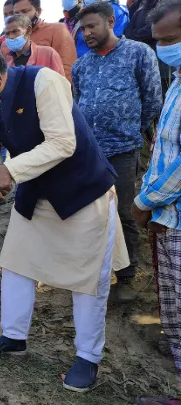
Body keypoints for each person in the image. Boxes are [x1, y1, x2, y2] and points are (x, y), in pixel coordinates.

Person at [0, 47, 128, 392]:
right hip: (37, 194)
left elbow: (63, 142)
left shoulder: (43, 81)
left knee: (86, 279)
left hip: (82, 191)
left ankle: (88, 357)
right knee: (17, 264)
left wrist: (12, 168)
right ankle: (14, 337)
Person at [73, 1, 162, 303]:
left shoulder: (139, 53)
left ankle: (126, 276)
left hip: (123, 149)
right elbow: (77, 102)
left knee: (123, 213)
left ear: (111, 21)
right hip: (89, 153)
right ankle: (95, 272)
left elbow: (152, 100)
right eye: (82, 29)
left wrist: (129, 129)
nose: (86, 33)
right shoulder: (81, 65)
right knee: (89, 214)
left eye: (92, 26)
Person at [133, 1, 181, 403]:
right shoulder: (177, 81)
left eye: (171, 39)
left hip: (174, 213)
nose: (164, 48)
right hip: (170, 215)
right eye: (159, 41)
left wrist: (146, 200)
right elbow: (163, 150)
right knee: (175, 311)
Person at [0, 0, 77, 83]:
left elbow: (67, 68)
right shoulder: (6, 43)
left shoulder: (56, 30)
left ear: (38, 11)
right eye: (16, 13)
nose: (20, 17)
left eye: (25, 11)